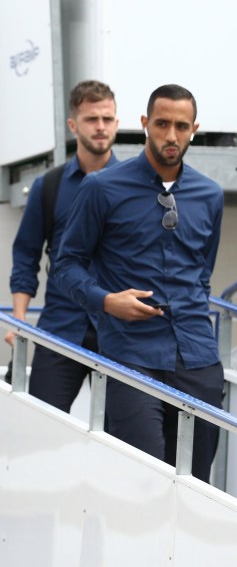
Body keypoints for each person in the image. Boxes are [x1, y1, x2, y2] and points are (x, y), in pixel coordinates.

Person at [55, 84, 224, 484]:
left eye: (181, 126)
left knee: (196, 484)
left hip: (198, 359)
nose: (171, 136)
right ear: (145, 123)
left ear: (194, 128)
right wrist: (107, 301)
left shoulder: (211, 195)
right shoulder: (101, 188)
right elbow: (66, 265)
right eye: (162, 124)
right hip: (131, 357)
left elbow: (203, 271)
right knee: (141, 480)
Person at [6, 80, 120, 411]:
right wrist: (19, 318)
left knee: (124, 441)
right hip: (60, 329)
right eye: (91, 119)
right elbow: (26, 255)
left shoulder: (133, 183)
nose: (101, 127)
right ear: (73, 125)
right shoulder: (50, 185)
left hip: (118, 332)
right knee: (41, 428)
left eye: (108, 119)